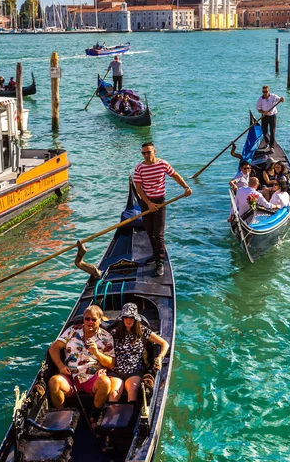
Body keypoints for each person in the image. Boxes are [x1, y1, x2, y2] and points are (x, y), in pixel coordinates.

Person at [48, 305, 115, 426]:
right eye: (87, 318)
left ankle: (94, 416)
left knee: (105, 383)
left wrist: (97, 353)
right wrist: (61, 366)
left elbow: (111, 364)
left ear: (100, 320)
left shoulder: (106, 337)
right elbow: (53, 348)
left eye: (93, 319)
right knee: (54, 382)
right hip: (71, 377)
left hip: (92, 378)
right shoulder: (73, 330)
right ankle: (61, 415)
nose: (89, 322)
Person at [133, 142, 192, 277]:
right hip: (146, 202)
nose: (146, 155)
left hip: (160, 202)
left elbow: (175, 175)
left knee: (158, 233)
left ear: (155, 151)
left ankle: (160, 261)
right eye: (144, 153)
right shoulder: (139, 168)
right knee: (149, 231)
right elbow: (138, 188)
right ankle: (155, 254)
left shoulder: (163, 164)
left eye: (148, 152)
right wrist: (148, 203)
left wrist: (186, 187)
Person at [108, 303, 169, 417]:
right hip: (116, 370)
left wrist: (160, 357)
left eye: (131, 318)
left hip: (134, 370)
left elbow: (164, 343)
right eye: (126, 317)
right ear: (122, 318)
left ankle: (129, 423)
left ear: (135, 319)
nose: (128, 320)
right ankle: (110, 423)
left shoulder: (142, 331)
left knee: (132, 390)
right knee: (113, 393)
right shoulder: (114, 332)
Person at [256, 85, 285, 154]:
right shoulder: (260, 99)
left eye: (266, 91)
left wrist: (282, 99)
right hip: (264, 117)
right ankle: (267, 142)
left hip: (272, 116)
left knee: (272, 131)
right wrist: (263, 112)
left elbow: (281, 99)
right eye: (263, 92)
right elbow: (258, 109)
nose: (265, 93)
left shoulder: (273, 96)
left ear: (269, 91)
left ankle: (271, 147)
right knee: (264, 131)